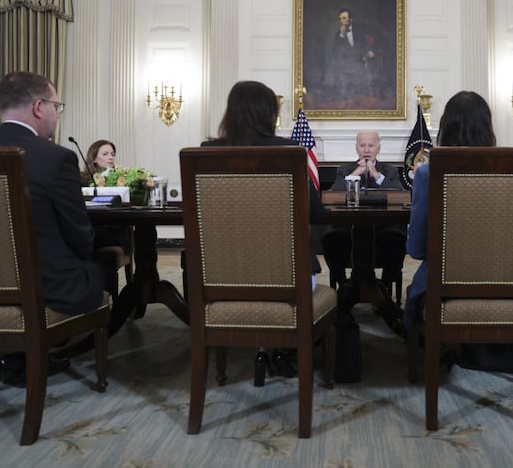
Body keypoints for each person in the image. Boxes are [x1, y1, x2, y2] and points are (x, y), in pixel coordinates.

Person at [0, 71, 114, 386]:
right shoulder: (55, 158)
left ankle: (11, 356)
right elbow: (80, 237)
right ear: (39, 107)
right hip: (48, 290)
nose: (56, 114)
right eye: (56, 106)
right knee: (99, 265)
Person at [199, 80, 325, 385]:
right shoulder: (290, 152)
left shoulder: (206, 153)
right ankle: (281, 349)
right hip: (289, 281)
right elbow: (317, 213)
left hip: (222, 280)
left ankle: (259, 347)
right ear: (269, 113)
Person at [404, 90, 497, 330]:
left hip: (444, 279)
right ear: (487, 126)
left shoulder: (428, 172)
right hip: (504, 275)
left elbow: (416, 248)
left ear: (447, 125)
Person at [321, 130, 406, 290]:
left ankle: (384, 286)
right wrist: (354, 175)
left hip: (382, 228)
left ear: (378, 149)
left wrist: (376, 175)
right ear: (357, 148)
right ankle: (344, 287)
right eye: (362, 146)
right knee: (330, 239)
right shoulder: (344, 170)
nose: (366, 150)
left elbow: (400, 195)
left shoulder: (390, 171)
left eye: (371, 146)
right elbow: (332, 195)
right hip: (349, 228)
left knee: (397, 240)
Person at [324, 8, 381, 101]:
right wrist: (342, 36)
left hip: (362, 60)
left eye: (344, 18)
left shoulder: (361, 28)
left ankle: (359, 94)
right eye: (340, 19)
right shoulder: (338, 35)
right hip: (346, 63)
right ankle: (341, 95)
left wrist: (372, 50)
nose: (341, 21)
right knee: (336, 66)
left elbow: (378, 34)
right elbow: (335, 52)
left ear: (351, 19)